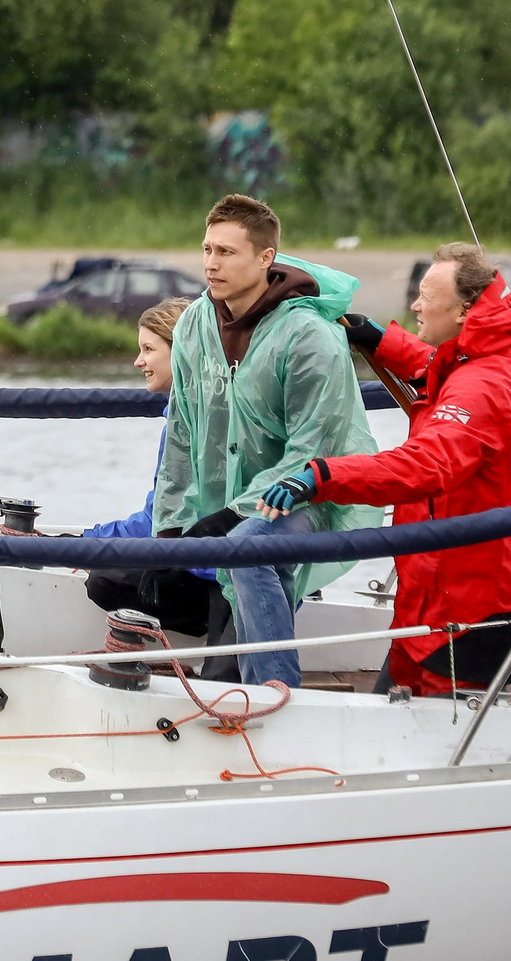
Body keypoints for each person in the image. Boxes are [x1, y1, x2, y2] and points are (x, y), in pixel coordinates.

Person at [257, 240, 511, 697]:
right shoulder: (486, 354)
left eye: (427, 297)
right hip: (445, 591)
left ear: (465, 311)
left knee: (442, 732)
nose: (414, 304)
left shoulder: (482, 386)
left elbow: (424, 466)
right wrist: (378, 338)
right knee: (395, 704)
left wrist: (321, 476)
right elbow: (439, 363)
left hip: (466, 605)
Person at [156, 194, 379, 688]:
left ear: (265, 258)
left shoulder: (309, 337)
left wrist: (237, 512)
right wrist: (169, 526)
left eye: (227, 252)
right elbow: (182, 430)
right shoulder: (195, 322)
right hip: (228, 502)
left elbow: (312, 450)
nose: (211, 264)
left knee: (249, 548)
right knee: (118, 580)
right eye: (207, 249)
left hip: (313, 492)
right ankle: (238, 676)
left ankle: (280, 692)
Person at [76, 298, 227, 646]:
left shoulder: (186, 424)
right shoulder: (211, 408)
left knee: (104, 580)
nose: (138, 361)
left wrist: (85, 544)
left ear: (181, 351)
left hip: (212, 574)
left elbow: (159, 521)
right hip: (227, 566)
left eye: (148, 348)